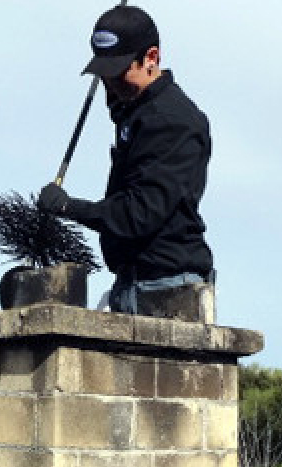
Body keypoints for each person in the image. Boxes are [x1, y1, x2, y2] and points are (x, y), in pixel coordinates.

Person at [37, 5, 214, 315]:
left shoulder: (173, 121)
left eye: (119, 72)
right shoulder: (135, 112)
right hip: (132, 284)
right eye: (104, 74)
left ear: (152, 57)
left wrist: (69, 207)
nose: (110, 83)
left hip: (169, 291)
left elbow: (139, 214)